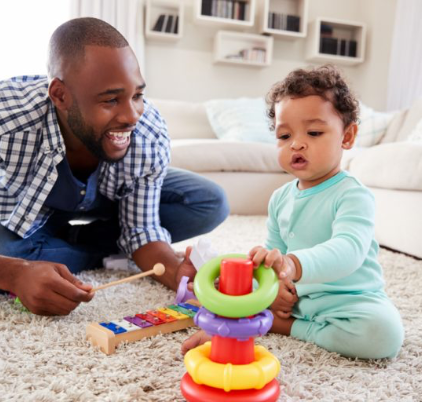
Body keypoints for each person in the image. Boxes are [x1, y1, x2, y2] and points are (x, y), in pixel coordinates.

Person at [0, 17, 229, 316]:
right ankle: (94, 248)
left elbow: (142, 229)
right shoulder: (7, 122)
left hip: (105, 198)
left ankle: (76, 244)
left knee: (209, 202)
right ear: (60, 95)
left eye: (137, 95)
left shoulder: (147, 131)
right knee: (15, 254)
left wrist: (176, 273)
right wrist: (15, 274)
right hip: (23, 208)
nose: (132, 116)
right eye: (111, 99)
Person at [182, 65, 404, 359]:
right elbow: (276, 256)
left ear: (347, 137)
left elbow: (348, 249)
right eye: (284, 136)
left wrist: (291, 266)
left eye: (313, 132)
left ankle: (286, 327)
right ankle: (250, 316)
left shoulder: (353, 194)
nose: (297, 143)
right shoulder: (279, 198)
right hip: (299, 298)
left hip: (349, 301)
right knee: (239, 285)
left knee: (383, 335)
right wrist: (274, 286)